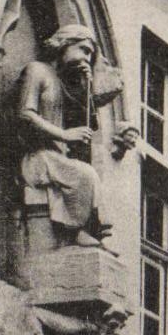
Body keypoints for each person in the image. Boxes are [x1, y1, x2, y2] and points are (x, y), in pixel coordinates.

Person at [17, 24, 118, 246]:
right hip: (38, 157)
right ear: (65, 43)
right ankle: (84, 231)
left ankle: (88, 231)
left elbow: (90, 124)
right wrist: (64, 135)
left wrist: (86, 86)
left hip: (55, 158)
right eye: (84, 49)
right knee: (87, 175)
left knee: (89, 175)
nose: (87, 57)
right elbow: (25, 114)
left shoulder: (63, 83)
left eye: (90, 54)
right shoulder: (37, 70)